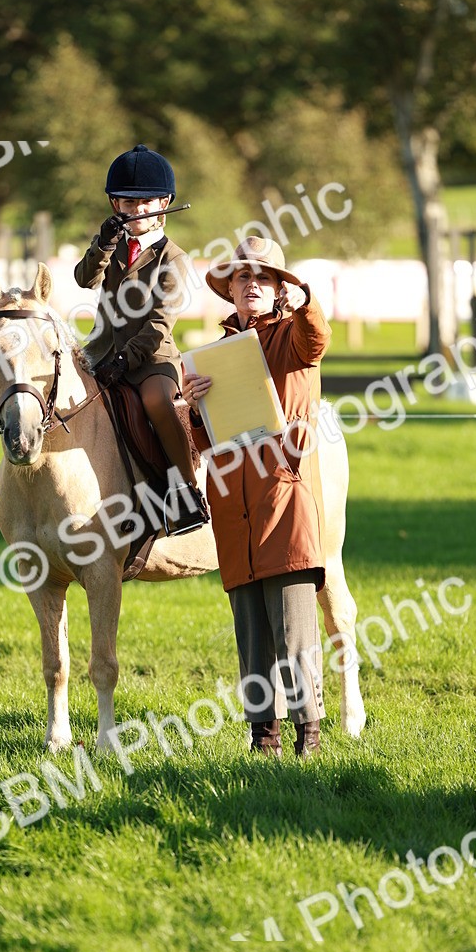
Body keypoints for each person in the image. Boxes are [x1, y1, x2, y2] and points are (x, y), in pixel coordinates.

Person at [183, 236, 331, 757]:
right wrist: (192, 407)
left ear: (280, 291)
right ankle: (262, 736)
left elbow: (317, 339)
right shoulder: (213, 355)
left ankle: (308, 735)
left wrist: (304, 304)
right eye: (242, 278)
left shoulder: (293, 338)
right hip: (233, 510)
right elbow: (204, 441)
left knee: (293, 629)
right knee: (251, 634)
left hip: (282, 500)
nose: (251, 285)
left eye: (262, 278)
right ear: (231, 290)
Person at [74, 144, 209, 533]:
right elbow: (86, 279)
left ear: (165, 202)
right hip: (103, 355)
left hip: (152, 359)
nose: (134, 211)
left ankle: (186, 492)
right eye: (125, 203)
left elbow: (158, 324)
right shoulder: (114, 247)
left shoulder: (175, 260)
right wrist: (102, 244)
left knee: (156, 402)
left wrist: (125, 361)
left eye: (144, 202)